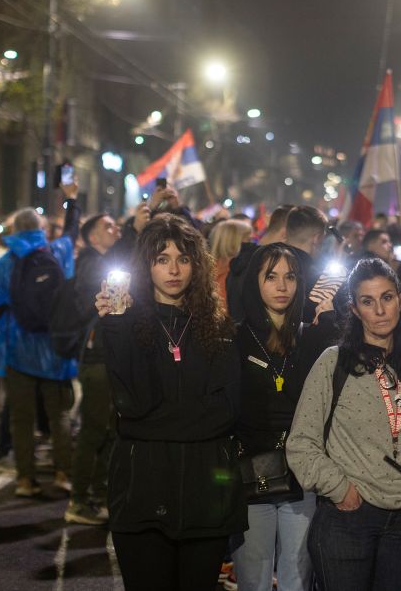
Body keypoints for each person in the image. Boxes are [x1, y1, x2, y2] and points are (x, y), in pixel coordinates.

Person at [94, 214, 243, 590]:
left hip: (205, 497)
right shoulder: (125, 324)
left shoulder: (218, 326)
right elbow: (132, 405)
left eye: (183, 258)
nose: (173, 269)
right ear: (146, 266)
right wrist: (115, 327)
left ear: (197, 264)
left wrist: (150, 423)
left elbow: (225, 413)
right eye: (162, 259)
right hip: (141, 494)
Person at [286, 258, 401, 591]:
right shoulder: (335, 361)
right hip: (348, 518)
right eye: (368, 301)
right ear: (355, 309)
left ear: (400, 298)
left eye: (387, 297)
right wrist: (341, 490)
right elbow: (301, 442)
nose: (381, 310)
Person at [232, 243, 334, 590]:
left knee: (297, 576)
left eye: (290, 277)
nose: (281, 286)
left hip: (300, 475)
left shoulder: (312, 336)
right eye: (271, 276)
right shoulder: (235, 338)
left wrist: (329, 326)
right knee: (253, 578)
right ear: (255, 283)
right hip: (249, 474)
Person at [0, 185, 80, 498]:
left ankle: (24, 479)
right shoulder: (57, 252)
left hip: (18, 350)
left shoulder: (7, 262)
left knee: (21, 419)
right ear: (41, 229)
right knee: (59, 415)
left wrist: (7, 308)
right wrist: (71, 200)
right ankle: (63, 473)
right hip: (55, 351)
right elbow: (73, 232)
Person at [64, 213, 128, 526]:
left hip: (107, 357)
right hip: (97, 357)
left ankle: (99, 493)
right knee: (94, 429)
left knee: (110, 428)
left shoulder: (100, 261)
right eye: (109, 226)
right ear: (92, 238)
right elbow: (90, 308)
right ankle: (79, 499)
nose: (115, 229)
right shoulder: (92, 265)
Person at [210, 218, 254, 304]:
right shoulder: (236, 273)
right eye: (248, 239)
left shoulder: (208, 269)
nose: (252, 244)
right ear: (233, 241)